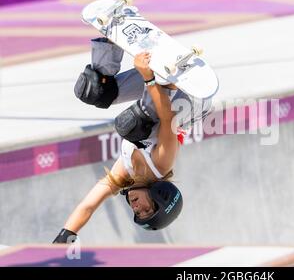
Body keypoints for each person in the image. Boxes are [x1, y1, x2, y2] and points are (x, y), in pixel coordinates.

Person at [53, 38, 212, 243]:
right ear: (159, 196)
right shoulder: (162, 162)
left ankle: (108, 41)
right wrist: (149, 79)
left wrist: (63, 239)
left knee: (95, 91)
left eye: (138, 213)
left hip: (159, 93)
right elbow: (167, 118)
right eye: (147, 209)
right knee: (133, 125)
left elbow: (88, 205)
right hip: (189, 99)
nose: (137, 208)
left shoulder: (123, 175)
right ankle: (166, 80)